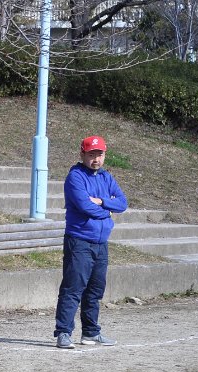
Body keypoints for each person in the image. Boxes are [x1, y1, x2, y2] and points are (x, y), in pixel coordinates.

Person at [54, 135, 127, 349]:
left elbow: (122, 203)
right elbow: (85, 207)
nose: (96, 159)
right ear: (82, 154)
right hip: (80, 241)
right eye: (91, 154)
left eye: (99, 154)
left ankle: (91, 332)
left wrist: (102, 201)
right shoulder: (75, 177)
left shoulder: (106, 177)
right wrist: (108, 211)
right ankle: (63, 332)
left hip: (101, 243)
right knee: (73, 288)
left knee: (95, 290)